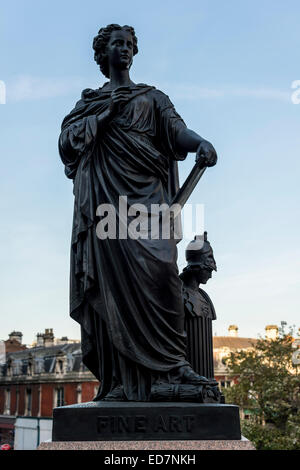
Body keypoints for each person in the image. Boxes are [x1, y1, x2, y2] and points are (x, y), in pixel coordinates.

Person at [59, 24, 217, 401]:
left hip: (149, 204)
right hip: (104, 205)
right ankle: (118, 383)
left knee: (161, 275)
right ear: (102, 53)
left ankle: (170, 368)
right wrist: (104, 114)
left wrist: (201, 143)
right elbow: (67, 143)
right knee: (111, 288)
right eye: (117, 44)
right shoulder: (89, 105)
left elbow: (177, 131)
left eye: (130, 44)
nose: (124, 49)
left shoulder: (152, 97)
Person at [180, 233, 218, 381]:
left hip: (208, 380)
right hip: (187, 377)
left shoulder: (205, 297)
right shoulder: (178, 293)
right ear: (197, 266)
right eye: (208, 270)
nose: (210, 275)